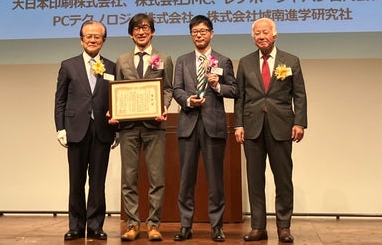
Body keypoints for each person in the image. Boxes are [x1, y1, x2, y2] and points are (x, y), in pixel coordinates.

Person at [234, 17, 308, 243]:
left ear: (275, 35)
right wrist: (238, 124)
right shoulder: (245, 62)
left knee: (283, 179)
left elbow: (299, 95)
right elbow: (240, 97)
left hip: (281, 126)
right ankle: (258, 227)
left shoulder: (291, 61)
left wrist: (299, 122)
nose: (261, 36)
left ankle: (283, 227)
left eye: (265, 32)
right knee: (255, 180)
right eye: (257, 33)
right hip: (252, 127)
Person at [172, 15, 238, 242]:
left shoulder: (223, 60)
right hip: (188, 125)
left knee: (215, 180)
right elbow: (176, 90)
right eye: (194, 32)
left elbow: (234, 90)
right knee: (185, 179)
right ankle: (185, 225)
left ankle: (217, 227)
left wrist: (217, 86)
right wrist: (188, 100)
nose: (198, 35)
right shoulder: (182, 61)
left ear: (211, 33)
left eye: (203, 31)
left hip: (214, 125)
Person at [111, 13, 173, 241]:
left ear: (152, 32)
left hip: (154, 126)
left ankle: (154, 224)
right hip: (128, 127)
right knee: (129, 178)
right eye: (136, 28)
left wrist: (163, 106)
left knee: (156, 178)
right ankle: (133, 224)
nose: (141, 32)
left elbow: (168, 88)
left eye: (145, 27)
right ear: (131, 34)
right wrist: (114, 110)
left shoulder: (164, 58)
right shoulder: (122, 60)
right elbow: (116, 90)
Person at [54, 20, 117, 241]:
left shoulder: (112, 67)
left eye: (97, 36)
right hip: (75, 129)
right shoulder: (68, 65)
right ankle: (76, 226)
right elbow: (60, 100)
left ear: (103, 41)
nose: (92, 40)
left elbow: (116, 100)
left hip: (102, 130)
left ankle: (96, 225)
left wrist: (117, 129)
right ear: (81, 40)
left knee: (98, 182)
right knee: (76, 181)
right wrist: (60, 128)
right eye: (88, 36)